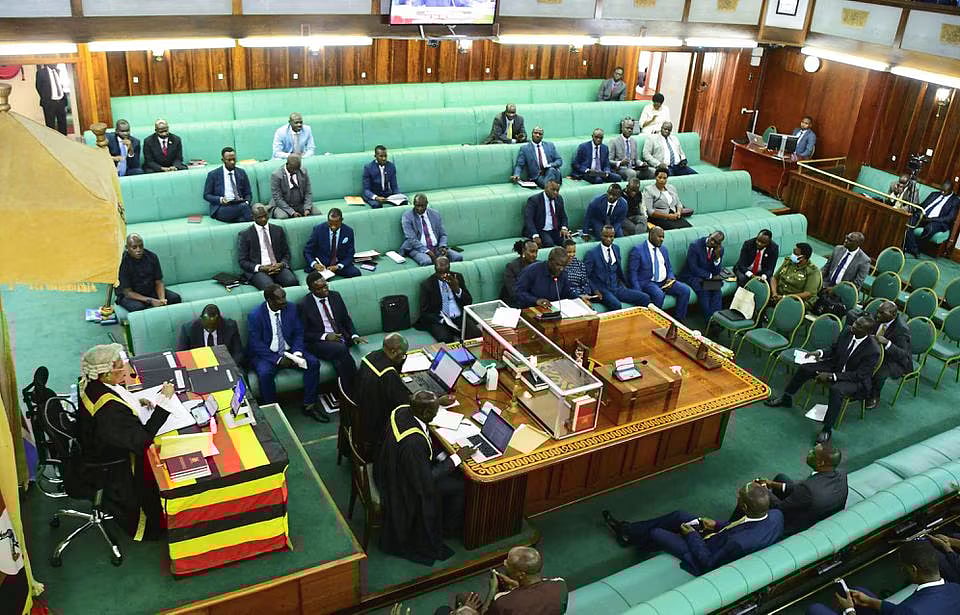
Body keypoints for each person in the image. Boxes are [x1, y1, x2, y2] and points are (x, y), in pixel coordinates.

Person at [77, 344, 173, 540]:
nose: (125, 369)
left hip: (101, 442)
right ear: (104, 375)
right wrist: (164, 402)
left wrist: (136, 403)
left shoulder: (92, 384)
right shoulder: (109, 410)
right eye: (119, 367)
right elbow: (141, 440)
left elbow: (118, 400)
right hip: (117, 463)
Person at [375, 391, 475, 566]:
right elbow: (425, 480)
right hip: (404, 487)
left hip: (391, 468)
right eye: (435, 411)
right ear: (426, 413)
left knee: (451, 469)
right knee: (460, 485)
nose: (436, 414)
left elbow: (426, 450)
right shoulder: (414, 442)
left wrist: (445, 457)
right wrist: (457, 458)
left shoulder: (402, 411)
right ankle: (449, 530)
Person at [601, 482, 784, 576]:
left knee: (656, 533)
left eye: (739, 496)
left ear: (744, 506)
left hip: (701, 553)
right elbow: (742, 526)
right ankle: (628, 532)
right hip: (717, 537)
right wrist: (716, 524)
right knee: (679, 515)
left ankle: (636, 541)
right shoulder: (775, 515)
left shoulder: (738, 543)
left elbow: (708, 563)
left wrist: (692, 536)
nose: (736, 495)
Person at [765, 314, 882, 444]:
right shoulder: (848, 331)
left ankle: (827, 429)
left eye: (859, 326)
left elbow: (860, 375)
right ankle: (786, 398)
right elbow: (834, 349)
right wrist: (820, 353)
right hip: (836, 365)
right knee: (806, 368)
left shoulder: (872, 350)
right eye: (856, 322)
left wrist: (832, 376)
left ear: (868, 332)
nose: (854, 325)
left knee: (836, 390)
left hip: (854, 380)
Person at [805, 539, 960, 615]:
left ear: (914, 569)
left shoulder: (911, 610)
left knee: (815, 609)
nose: (901, 570)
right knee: (860, 593)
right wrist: (871, 602)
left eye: (903, 567)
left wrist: (849, 610)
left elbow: (907, 612)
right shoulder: (955, 589)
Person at [246, 285, 323, 420]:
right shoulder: (255, 315)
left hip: (290, 350)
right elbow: (256, 344)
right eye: (279, 298)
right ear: (269, 301)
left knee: (313, 363)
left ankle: (309, 405)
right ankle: (273, 412)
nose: (284, 301)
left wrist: (297, 352)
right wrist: (277, 360)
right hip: (267, 354)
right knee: (265, 374)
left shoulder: (291, 308)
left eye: (284, 296)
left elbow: (299, 332)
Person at [752, 444, 847, 537]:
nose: (809, 452)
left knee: (753, 495)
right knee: (781, 478)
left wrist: (763, 490)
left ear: (821, 463)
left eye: (813, 453)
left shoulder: (808, 489)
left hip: (799, 525)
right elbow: (800, 489)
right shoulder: (841, 474)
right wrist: (771, 484)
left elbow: (780, 507)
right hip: (819, 513)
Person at [299, 272, 366, 392]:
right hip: (318, 342)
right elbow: (303, 333)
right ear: (310, 289)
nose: (325, 290)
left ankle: (347, 390)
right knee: (340, 349)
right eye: (319, 288)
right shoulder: (304, 304)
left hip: (340, 338)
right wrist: (325, 336)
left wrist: (354, 335)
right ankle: (356, 387)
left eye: (325, 286)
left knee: (339, 359)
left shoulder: (335, 296)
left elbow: (346, 319)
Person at [352, 333, 411, 459]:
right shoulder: (387, 374)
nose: (403, 357)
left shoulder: (370, 356)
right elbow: (404, 404)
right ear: (394, 351)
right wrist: (437, 401)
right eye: (402, 354)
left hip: (362, 410)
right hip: (375, 424)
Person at [628, 226, 692, 321]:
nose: (662, 239)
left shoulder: (663, 249)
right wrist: (637, 291)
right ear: (651, 235)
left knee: (685, 290)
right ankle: (653, 321)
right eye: (659, 236)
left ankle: (678, 322)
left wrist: (670, 278)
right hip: (648, 282)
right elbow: (632, 273)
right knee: (659, 295)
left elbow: (669, 267)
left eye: (663, 237)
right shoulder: (638, 250)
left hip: (665, 282)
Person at [482, 547, 568, 615]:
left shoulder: (503, 602)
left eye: (507, 564)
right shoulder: (560, 585)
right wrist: (517, 588)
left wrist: (492, 590)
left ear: (520, 575)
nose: (505, 563)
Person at [585, 226, 651, 311]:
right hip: (603, 290)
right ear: (601, 235)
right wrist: (595, 290)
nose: (608, 239)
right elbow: (586, 276)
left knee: (644, 297)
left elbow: (618, 270)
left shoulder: (616, 248)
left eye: (611, 236)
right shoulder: (592, 253)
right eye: (606, 236)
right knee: (616, 305)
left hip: (617, 288)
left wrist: (623, 284)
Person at [417, 256, 479, 343]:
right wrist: (442, 320)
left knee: (476, 334)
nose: (443, 275)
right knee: (446, 339)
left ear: (449, 267)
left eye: (446, 271)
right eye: (440, 272)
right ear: (435, 268)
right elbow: (424, 311)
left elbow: (468, 301)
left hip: (459, 316)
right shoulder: (427, 284)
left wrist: (457, 289)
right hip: (440, 319)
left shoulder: (457, 277)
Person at [237, 204, 298, 290]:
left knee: (292, 282)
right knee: (270, 288)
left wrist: (282, 264)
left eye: (265, 216)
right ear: (253, 217)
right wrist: (260, 268)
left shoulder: (278, 230)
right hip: (259, 270)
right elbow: (242, 261)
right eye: (259, 217)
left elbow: (286, 253)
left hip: (278, 267)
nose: (263, 219)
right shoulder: (245, 235)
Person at [116, 234, 181, 312]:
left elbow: (159, 282)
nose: (138, 250)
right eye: (134, 247)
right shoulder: (122, 262)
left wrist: (162, 299)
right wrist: (150, 300)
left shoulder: (152, 257)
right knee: (138, 308)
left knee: (175, 298)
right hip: (131, 295)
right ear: (127, 248)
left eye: (141, 246)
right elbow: (128, 292)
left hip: (150, 290)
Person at [867, 300, 912, 409]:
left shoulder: (901, 329)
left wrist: (888, 343)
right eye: (878, 312)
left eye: (882, 313)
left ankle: (874, 396)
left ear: (893, 315)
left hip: (895, 360)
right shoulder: (879, 317)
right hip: (877, 351)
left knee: (880, 372)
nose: (878, 315)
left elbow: (903, 354)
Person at [401, 194, 463, 266]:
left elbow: (443, 234)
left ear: (427, 204)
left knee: (457, 257)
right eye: (417, 206)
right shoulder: (407, 216)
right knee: (427, 261)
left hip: (436, 247)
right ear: (414, 204)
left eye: (422, 206)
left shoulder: (435, 214)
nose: (420, 208)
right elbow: (411, 239)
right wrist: (428, 252)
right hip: (417, 249)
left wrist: (442, 246)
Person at [678, 231, 725, 322]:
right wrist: (710, 276)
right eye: (712, 239)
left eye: (715, 242)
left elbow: (717, 271)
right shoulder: (695, 246)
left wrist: (717, 258)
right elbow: (693, 268)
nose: (712, 242)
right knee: (704, 290)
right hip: (691, 276)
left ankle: (716, 319)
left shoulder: (719, 250)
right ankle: (710, 320)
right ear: (710, 235)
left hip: (706, 278)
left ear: (719, 244)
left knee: (717, 289)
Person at [905, 180, 959, 257]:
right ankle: (914, 248)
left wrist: (933, 219)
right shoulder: (934, 194)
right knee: (908, 222)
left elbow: (949, 217)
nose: (942, 193)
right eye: (942, 190)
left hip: (937, 221)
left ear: (951, 190)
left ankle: (912, 247)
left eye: (945, 191)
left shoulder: (955, 200)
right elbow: (922, 205)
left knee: (929, 229)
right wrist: (917, 209)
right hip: (923, 217)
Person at [176, 304, 243, 365]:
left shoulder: (230, 327)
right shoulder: (188, 329)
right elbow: (181, 355)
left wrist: (229, 367)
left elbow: (238, 353)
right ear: (201, 319)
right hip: (199, 368)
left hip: (225, 365)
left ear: (220, 320)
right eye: (207, 327)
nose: (210, 330)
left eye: (213, 327)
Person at [303, 208, 361, 278]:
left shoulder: (348, 231)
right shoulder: (318, 230)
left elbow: (350, 253)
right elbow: (307, 251)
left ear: (341, 220)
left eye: (336, 223)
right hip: (322, 266)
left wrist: (338, 266)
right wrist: (314, 264)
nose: (333, 226)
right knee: (320, 280)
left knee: (356, 273)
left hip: (339, 264)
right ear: (327, 220)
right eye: (330, 223)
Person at [514, 246, 579, 309]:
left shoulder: (563, 273)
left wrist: (579, 298)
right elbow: (518, 292)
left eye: (564, 266)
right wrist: (536, 300)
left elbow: (566, 293)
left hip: (553, 309)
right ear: (550, 260)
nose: (561, 269)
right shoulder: (532, 270)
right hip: (531, 309)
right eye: (558, 265)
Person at [203, 146, 254, 223]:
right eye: (229, 160)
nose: (232, 162)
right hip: (222, 207)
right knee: (245, 209)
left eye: (234, 159)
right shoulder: (213, 174)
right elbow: (206, 195)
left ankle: (238, 219)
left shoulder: (241, 172)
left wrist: (246, 202)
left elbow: (248, 193)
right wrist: (220, 199)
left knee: (244, 214)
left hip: (239, 204)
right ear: (223, 160)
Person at [769, 242, 822, 310]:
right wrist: (774, 293)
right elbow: (774, 278)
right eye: (793, 252)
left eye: (796, 254)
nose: (793, 255)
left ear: (803, 257)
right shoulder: (788, 261)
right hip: (778, 294)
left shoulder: (812, 271)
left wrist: (784, 298)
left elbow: (808, 293)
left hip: (796, 300)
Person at [643, 165, 692, 230]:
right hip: (659, 217)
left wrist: (678, 213)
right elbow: (650, 211)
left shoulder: (671, 188)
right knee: (674, 230)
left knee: (688, 228)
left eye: (664, 178)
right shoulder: (649, 190)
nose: (662, 180)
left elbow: (678, 203)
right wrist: (668, 216)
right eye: (659, 177)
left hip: (673, 214)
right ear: (655, 177)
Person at [523, 180, 570, 248]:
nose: (555, 192)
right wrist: (535, 235)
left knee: (568, 242)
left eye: (557, 190)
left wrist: (564, 228)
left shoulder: (559, 198)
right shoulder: (534, 200)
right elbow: (528, 220)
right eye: (553, 190)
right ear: (545, 188)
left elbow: (563, 216)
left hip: (555, 230)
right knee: (549, 243)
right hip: (540, 230)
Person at [268, 153, 313, 219]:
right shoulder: (276, 175)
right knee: (283, 217)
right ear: (287, 164)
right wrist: (292, 212)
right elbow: (277, 198)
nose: (296, 171)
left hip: (300, 204)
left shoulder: (303, 171)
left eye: (298, 169)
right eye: (294, 169)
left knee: (316, 213)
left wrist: (307, 208)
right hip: (282, 206)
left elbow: (308, 192)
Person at [501, 240, 539, 307]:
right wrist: (534, 300)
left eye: (536, 252)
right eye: (532, 251)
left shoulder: (539, 265)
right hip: (515, 303)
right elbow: (514, 292)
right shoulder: (512, 267)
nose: (535, 255)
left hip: (534, 302)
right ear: (524, 251)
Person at [35, 63, 68, 135]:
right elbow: (38, 87)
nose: (55, 64)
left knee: (63, 124)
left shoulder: (58, 71)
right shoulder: (41, 73)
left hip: (61, 101)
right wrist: (46, 98)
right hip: (49, 103)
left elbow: (62, 85)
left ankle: (65, 141)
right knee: (50, 125)